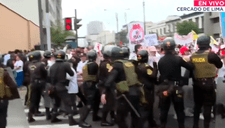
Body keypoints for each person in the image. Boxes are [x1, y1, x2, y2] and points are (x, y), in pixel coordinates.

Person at [101, 46, 142, 128]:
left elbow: (109, 81)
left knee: (119, 117)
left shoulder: (117, 65)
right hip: (137, 92)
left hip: (125, 95)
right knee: (135, 116)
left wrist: (104, 92)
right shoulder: (130, 63)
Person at [157, 38, 194, 128]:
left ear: (163, 48)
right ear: (174, 47)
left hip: (164, 87)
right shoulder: (178, 59)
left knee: (164, 110)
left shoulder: (160, 60)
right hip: (176, 87)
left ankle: (163, 125)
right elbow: (191, 67)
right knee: (179, 110)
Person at [191, 36, 223, 128]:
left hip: (196, 83)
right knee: (207, 107)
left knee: (197, 106)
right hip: (208, 84)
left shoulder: (193, 55)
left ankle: (195, 125)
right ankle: (206, 126)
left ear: (198, 44)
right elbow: (219, 65)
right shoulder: (211, 55)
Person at [49, 51, 78, 126]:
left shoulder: (52, 66)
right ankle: (71, 120)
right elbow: (71, 73)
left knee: (56, 103)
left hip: (53, 87)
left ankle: (53, 117)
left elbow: (49, 78)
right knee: (68, 103)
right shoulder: (65, 64)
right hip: (61, 86)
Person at [136, 50, 158, 128]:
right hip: (147, 89)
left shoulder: (136, 66)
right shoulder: (146, 67)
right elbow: (153, 76)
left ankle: (151, 122)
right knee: (148, 107)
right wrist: (155, 67)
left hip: (139, 88)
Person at [79, 50, 100, 128]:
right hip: (91, 85)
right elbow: (98, 75)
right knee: (90, 104)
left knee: (96, 101)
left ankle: (95, 116)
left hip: (88, 85)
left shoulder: (86, 64)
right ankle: (82, 121)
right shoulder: (93, 65)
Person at [27, 51, 47, 123]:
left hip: (32, 83)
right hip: (40, 83)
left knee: (33, 99)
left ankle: (31, 114)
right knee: (45, 97)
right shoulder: (41, 65)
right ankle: (48, 113)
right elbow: (45, 74)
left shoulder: (29, 65)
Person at [98, 45, 116, 126]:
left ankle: (113, 117)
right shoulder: (107, 64)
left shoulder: (102, 63)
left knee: (110, 102)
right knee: (107, 103)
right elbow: (110, 75)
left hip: (103, 85)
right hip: (106, 86)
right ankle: (104, 120)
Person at [0, 57, 20, 128]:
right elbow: (13, 86)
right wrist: (12, 96)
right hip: (2, 99)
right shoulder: (3, 73)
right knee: (2, 117)